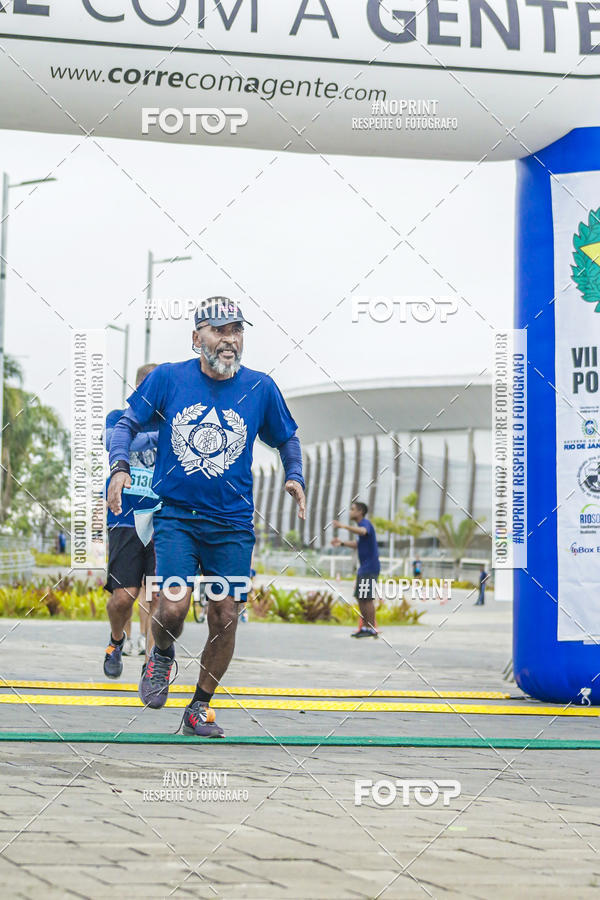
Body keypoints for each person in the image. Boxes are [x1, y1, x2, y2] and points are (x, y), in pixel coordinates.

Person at [107, 297, 305, 738]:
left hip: (232, 524)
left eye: (236, 330)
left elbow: (287, 438)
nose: (229, 339)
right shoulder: (168, 378)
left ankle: (199, 706)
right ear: (197, 338)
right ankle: (161, 654)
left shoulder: (260, 387)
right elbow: (127, 424)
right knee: (172, 607)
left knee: (224, 614)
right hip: (177, 516)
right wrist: (119, 467)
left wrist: (296, 476)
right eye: (219, 330)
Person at [103, 364, 159, 679]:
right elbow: (115, 441)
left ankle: (152, 665)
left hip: (162, 519)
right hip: (124, 517)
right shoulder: (119, 417)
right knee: (124, 596)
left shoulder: (174, 421)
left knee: (156, 595)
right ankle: (116, 640)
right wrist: (154, 436)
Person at [331, 501, 380, 638]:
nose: (350, 512)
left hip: (370, 568)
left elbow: (363, 532)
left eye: (353, 509)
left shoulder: (365, 524)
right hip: (365, 568)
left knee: (367, 598)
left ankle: (371, 629)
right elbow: (358, 544)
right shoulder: (360, 526)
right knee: (361, 597)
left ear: (360, 512)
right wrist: (342, 543)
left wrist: (343, 526)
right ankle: (365, 627)